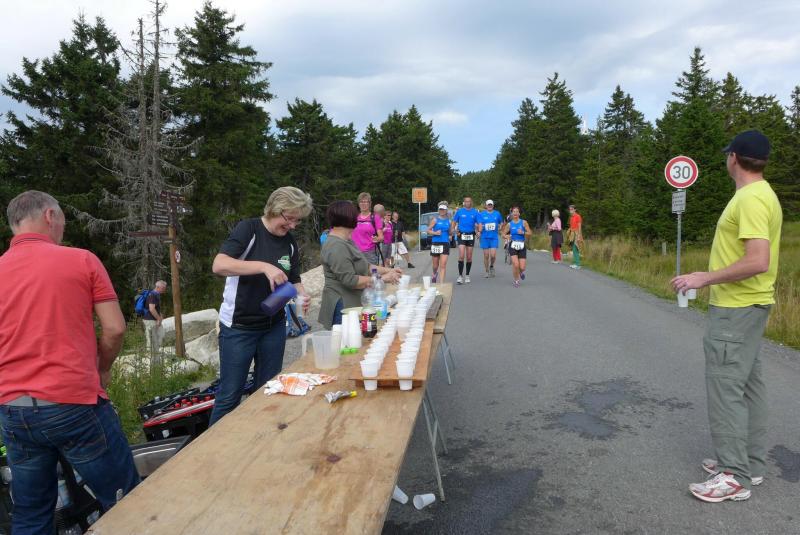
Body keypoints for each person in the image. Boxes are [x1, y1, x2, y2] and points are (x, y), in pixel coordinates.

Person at [0, 190, 139, 533]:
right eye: (62, 219)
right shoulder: (81, 260)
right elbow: (115, 328)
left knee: (31, 514)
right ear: (50, 215)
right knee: (126, 501)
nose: (62, 227)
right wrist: (102, 368)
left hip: (13, 411)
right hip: (73, 403)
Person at [671, 130, 782, 503]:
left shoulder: (750, 199)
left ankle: (734, 474)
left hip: (736, 309)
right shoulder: (763, 194)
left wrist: (705, 278)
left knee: (725, 388)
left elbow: (758, 260)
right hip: (750, 305)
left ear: (734, 157)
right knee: (748, 384)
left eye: (727, 154)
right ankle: (749, 463)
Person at [209, 186, 313, 426]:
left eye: (297, 220)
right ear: (275, 209)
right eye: (289, 218)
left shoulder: (289, 241)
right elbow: (219, 265)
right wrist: (263, 266)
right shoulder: (250, 229)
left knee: (268, 389)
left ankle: (258, 437)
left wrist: (302, 294)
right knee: (230, 395)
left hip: (274, 326)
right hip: (239, 327)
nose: (293, 225)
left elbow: (294, 278)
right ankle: (213, 446)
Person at [319, 201, 402, 329]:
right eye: (354, 215)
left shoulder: (347, 240)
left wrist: (388, 271)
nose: (357, 218)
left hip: (354, 305)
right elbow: (350, 280)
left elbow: (366, 266)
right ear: (348, 218)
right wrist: (382, 279)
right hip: (343, 308)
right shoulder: (336, 245)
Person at [502, 205, 532, 287]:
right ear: (512, 213)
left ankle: (521, 272)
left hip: (522, 245)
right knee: (515, 264)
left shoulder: (524, 222)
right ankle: (516, 280)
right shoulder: (509, 224)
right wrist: (506, 236)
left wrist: (523, 232)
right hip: (513, 245)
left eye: (517, 212)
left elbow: (530, 233)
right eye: (514, 212)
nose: (515, 213)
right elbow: (503, 234)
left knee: (522, 267)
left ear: (519, 213)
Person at [452, 196, 480, 284]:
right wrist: (454, 230)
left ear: (471, 202)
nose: (468, 203)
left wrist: (479, 231)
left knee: (469, 257)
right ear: (464, 203)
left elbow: (479, 223)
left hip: (471, 235)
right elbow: (454, 222)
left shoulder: (475, 212)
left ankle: (467, 275)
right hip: (461, 235)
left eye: (469, 201)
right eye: (466, 201)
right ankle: (460, 276)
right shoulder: (459, 211)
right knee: (461, 255)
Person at [352, 192, 383, 265]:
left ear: (370, 203)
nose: (363, 204)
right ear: (358, 204)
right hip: (354, 252)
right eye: (361, 202)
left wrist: (377, 239)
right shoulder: (354, 217)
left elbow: (381, 237)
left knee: (372, 272)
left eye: (366, 202)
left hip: (369, 253)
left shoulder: (375, 218)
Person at [142, 280, 168, 364]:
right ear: (158, 287)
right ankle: (152, 360)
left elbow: (155, 308)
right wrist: (158, 319)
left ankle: (155, 357)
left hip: (151, 319)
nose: (164, 290)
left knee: (158, 336)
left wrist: (160, 315)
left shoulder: (155, 294)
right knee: (152, 340)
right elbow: (151, 309)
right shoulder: (153, 295)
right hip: (150, 320)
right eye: (163, 288)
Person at [477, 200, 503, 277]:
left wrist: (500, 226)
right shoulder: (482, 214)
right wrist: (479, 231)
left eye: (491, 205)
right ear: (486, 206)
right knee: (486, 256)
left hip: (494, 237)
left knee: (493, 255)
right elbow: (479, 224)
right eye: (488, 205)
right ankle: (486, 271)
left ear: (493, 205)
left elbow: (501, 222)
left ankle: (491, 266)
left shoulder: (497, 213)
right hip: (484, 237)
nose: (490, 206)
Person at [428, 202, 452, 283]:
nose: (442, 211)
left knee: (443, 265)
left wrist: (451, 234)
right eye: (440, 209)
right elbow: (428, 230)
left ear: (446, 210)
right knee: (435, 266)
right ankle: (434, 274)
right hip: (436, 243)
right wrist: (435, 233)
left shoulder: (449, 221)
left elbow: (450, 232)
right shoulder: (435, 220)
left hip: (445, 243)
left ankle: (441, 284)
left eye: (443, 209)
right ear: (438, 210)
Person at [567, 205, 584, 269]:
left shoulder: (578, 216)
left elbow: (579, 226)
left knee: (576, 248)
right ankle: (575, 263)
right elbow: (571, 226)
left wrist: (579, 235)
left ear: (575, 210)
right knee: (573, 249)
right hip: (572, 234)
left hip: (577, 233)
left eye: (571, 209)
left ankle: (578, 264)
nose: (570, 211)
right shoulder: (571, 217)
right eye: (569, 209)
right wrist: (569, 233)